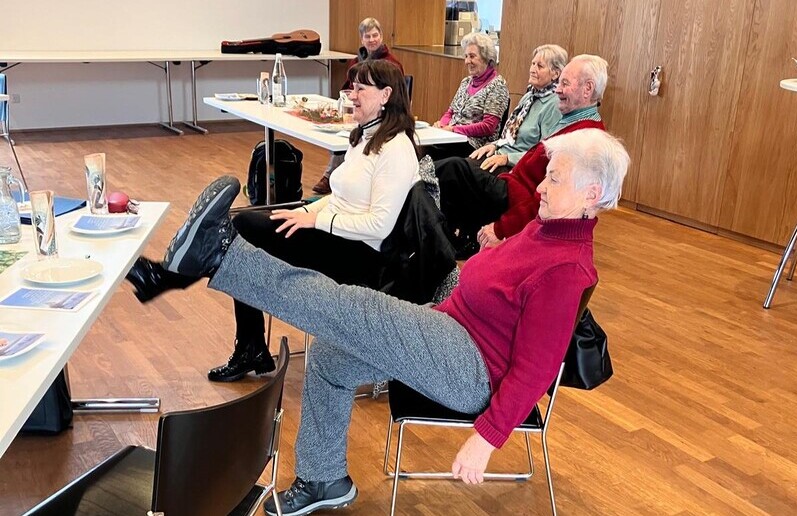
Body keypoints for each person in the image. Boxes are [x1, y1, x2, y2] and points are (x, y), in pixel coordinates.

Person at [140, 127, 629, 516]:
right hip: (450, 331)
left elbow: (537, 369)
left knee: (347, 307)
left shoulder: (567, 268)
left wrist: (485, 440)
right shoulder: (546, 230)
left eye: (554, 179)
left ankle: (222, 254)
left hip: (470, 369)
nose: (540, 186)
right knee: (332, 354)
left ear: (591, 193)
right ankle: (323, 479)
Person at [126, 59, 420, 382]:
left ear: (386, 95)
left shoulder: (396, 148)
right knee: (242, 235)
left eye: (361, 88)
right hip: (337, 234)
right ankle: (240, 339)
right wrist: (305, 212)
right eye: (353, 87)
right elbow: (340, 196)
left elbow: (380, 225)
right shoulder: (365, 137)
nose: (352, 95)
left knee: (244, 228)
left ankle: (172, 284)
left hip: (363, 256)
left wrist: (316, 222)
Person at [437, 54, 608, 259]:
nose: (557, 89)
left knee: (451, 170)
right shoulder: (573, 124)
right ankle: (449, 242)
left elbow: (546, 197)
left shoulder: (583, 139)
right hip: (512, 185)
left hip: (515, 198)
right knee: (451, 169)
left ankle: (439, 246)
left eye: (564, 83)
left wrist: (501, 228)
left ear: (588, 89)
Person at [312, 17, 405, 195]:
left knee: (349, 130)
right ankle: (340, 174)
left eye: (375, 35)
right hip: (359, 110)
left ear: (381, 36)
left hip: (381, 114)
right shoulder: (356, 62)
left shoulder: (391, 64)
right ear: (361, 39)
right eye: (367, 36)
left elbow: (395, 97)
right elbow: (348, 89)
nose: (372, 40)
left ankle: (331, 175)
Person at [426, 32, 510, 162]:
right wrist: (441, 124)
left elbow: (488, 127)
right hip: (451, 138)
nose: (467, 61)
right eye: (466, 56)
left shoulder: (497, 86)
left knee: (428, 154)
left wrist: (454, 129)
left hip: (474, 145)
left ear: (487, 59)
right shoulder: (466, 82)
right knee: (419, 148)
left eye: (472, 56)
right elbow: (450, 112)